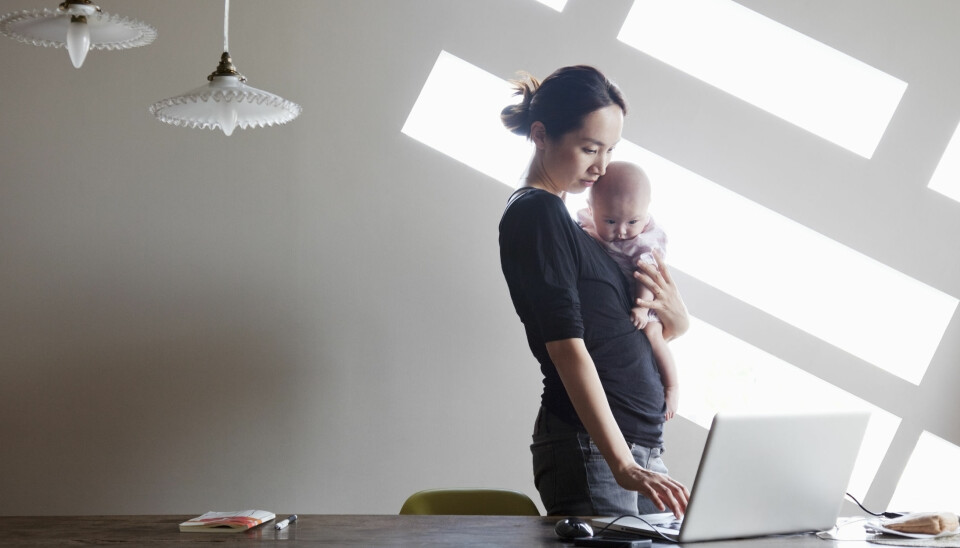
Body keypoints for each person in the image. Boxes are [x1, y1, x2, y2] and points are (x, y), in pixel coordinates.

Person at [498, 65, 690, 518]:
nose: (601, 167)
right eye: (589, 148)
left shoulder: (579, 230)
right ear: (542, 135)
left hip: (636, 444)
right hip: (593, 448)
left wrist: (678, 322)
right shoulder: (537, 214)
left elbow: (614, 333)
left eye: (610, 150)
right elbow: (567, 347)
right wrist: (620, 461)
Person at [576, 162, 679, 421]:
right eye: (610, 221)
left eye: (632, 221)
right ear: (592, 209)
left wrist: (643, 307)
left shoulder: (643, 240)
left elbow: (647, 273)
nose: (622, 231)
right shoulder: (588, 221)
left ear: (646, 213)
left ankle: (672, 386)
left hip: (646, 297)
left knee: (653, 335)